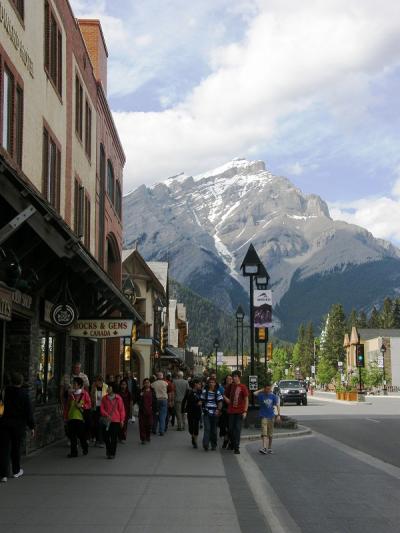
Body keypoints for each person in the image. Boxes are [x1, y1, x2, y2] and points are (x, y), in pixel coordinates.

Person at [0, 372, 35, 482]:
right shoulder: (24, 394)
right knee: (16, 447)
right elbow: (28, 412)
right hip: (18, 425)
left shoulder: (5, 392)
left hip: (4, 423)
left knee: (4, 449)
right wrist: (32, 426)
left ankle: (3, 474)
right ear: (21, 382)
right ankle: (16, 470)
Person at [65, 377, 91, 458]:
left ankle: (85, 447)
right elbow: (68, 406)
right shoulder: (71, 394)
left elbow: (89, 404)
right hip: (71, 417)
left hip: (80, 418)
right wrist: (66, 416)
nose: (73, 385)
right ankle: (74, 452)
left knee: (81, 435)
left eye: (75, 384)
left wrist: (82, 405)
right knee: (72, 436)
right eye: (73, 384)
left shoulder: (84, 394)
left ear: (79, 385)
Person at [224, 370, 249, 455]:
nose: (234, 378)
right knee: (230, 429)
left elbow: (246, 399)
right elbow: (224, 394)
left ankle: (236, 447)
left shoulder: (243, 387)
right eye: (233, 376)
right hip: (231, 411)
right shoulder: (230, 386)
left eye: (235, 377)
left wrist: (245, 411)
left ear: (239, 377)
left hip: (239, 411)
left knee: (237, 429)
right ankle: (232, 443)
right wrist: (226, 399)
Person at [254, 382, 281, 454]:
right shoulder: (261, 395)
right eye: (267, 389)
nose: (268, 390)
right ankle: (264, 447)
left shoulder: (273, 396)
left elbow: (277, 405)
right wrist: (261, 390)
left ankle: (269, 448)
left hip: (271, 417)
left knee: (270, 434)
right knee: (264, 432)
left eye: (269, 389)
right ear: (265, 389)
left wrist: (278, 415)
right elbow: (254, 393)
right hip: (264, 416)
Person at [100, 383, 125, 459]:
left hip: (116, 421)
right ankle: (108, 449)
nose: (107, 389)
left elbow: (122, 410)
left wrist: (122, 420)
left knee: (113, 438)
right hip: (106, 420)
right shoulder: (104, 398)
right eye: (107, 388)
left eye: (109, 388)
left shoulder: (118, 398)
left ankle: (112, 453)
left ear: (113, 389)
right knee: (106, 437)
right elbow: (102, 408)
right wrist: (106, 414)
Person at [201, 376, 223, 451]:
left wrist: (218, 410)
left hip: (215, 413)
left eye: (213, 382)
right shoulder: (204, 392)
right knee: (207, 428)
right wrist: (202, 407)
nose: (211, 384)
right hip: (207, 413)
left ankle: (213, 445)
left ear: (215, 383)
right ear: (208, 383)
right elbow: (202, 401)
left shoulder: (217, 392)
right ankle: (206, 444)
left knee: (213, 430)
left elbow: (220, 402)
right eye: (210, 382)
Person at [182, 378, 202, 448]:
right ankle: (192, 436)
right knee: (191, 428)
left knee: (196, 426)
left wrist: (201, 403)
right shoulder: (189, 392)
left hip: (197, 411)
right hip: (190, 411)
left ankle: (195, 441)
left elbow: (204, 400)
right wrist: (182, 410)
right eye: (199, 384)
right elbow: (184, 401)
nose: (200, 385)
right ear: (195, 384)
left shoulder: (201, 392)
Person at [90, 375, 108, 447]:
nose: (98, 382)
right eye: (97, 381)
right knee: (96, 424)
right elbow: (91, 396)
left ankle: (101, 440)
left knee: (102, 424)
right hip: (95, 408)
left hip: (103, 408)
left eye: (100, 381)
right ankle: (98, 440)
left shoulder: (106, 387)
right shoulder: (93, 387)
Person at [138, 378, 158, 444]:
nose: (147, 384)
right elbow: (138, 400)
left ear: (150, 384)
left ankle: (148, 436)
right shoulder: (141, 391)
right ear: (143, 384)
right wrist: (140, 396)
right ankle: (143, 438)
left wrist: (156, 409)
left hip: (150, 411)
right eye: (145, 382)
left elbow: (155, 401)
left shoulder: (152, 391)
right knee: (142, 425)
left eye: (148, 382)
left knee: (149, 425)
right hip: (142, 411)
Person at [219, 374, 232, 449]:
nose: (229, 380)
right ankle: (226, 439)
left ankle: (228, 441)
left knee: (230, 427)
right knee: (224, 426)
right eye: (228, 379)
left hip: (232, 409)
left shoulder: (234, 387)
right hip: (224, 409)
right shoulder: (222, 387)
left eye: (231, 379)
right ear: (226, 379)